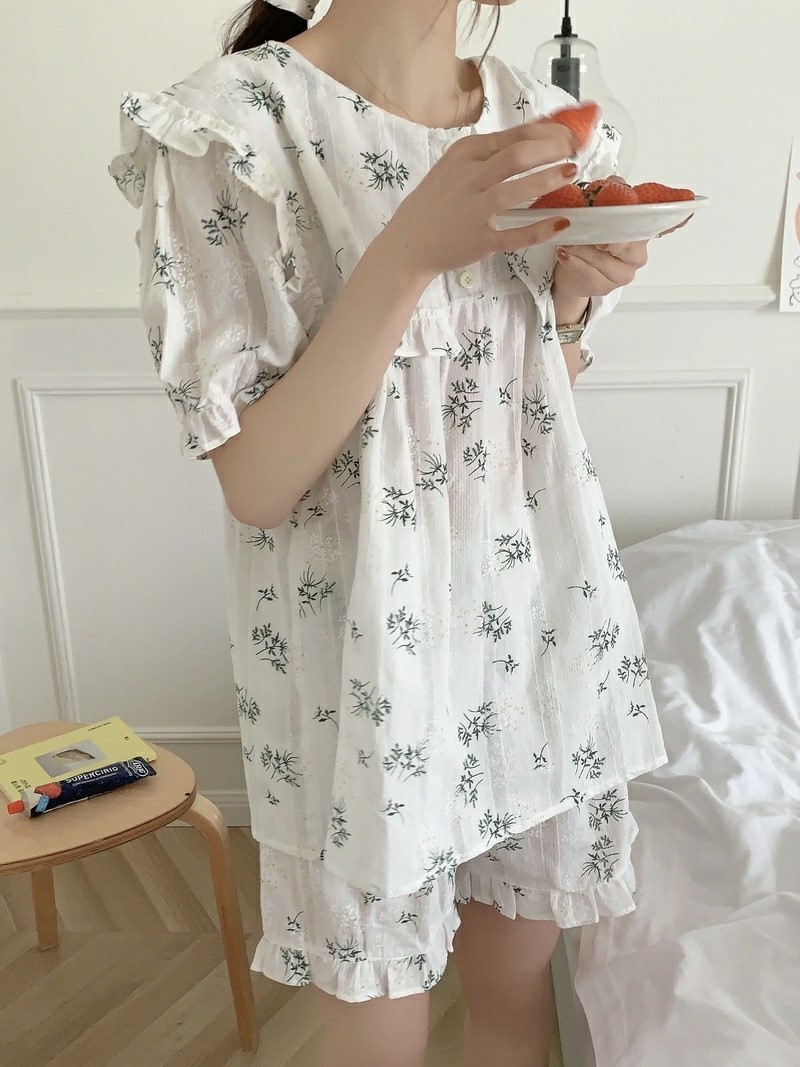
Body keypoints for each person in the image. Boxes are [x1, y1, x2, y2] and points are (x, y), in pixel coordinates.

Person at [108, 2, 669, 1064]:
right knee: (379, 1030)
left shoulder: (538, 120)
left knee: (514, 998)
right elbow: (258, 482)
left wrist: (567, 303)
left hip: (529, 634)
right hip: (358, 669)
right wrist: (407, 252)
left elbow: (524, 405)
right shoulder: (230, 128)